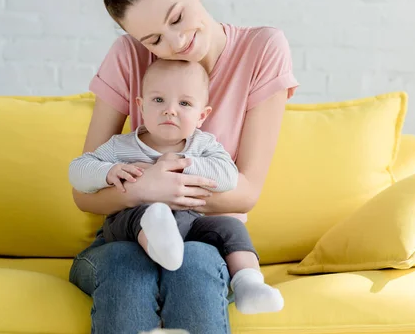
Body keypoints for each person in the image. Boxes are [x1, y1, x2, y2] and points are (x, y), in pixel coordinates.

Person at [68, 0, 299, 334]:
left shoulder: (262, 49)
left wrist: (167, 188)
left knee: (195, 265)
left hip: (209, 237)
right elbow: (83, 193)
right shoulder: (128, 56)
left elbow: (246, 192)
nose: (175, 43)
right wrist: (144, 190)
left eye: (177, 18)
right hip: (127, 233)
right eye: (153, 39)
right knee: (126, 268)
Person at [69, 59, 284, 314]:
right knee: (141, 213)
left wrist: (179, 164)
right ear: (141, 106)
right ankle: (159, 248)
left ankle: (248, 284)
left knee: (230, 226)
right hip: (131, 225)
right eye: (158, 100)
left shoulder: (203, 145)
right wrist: (108, 172)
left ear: (202, 115)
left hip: (190, 225)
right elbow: (78, 170)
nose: (170, 110)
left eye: (184, 103)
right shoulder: (121, 147)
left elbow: (228, 176)